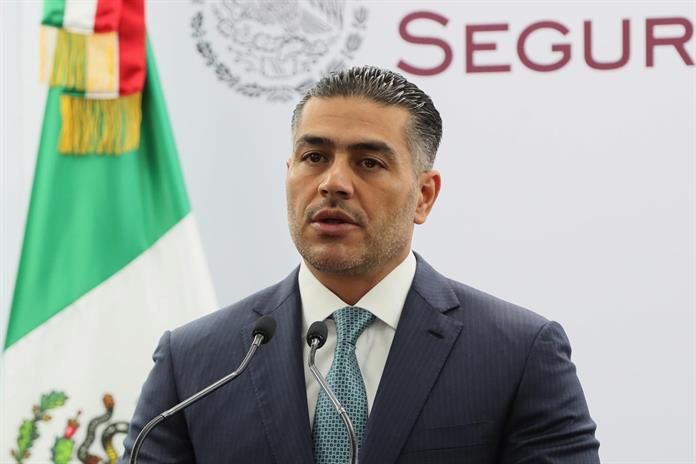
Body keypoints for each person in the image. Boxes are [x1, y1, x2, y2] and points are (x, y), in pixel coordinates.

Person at [121, 66, 600, 463]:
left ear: (424, 195)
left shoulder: (516, 353)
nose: (333, 183)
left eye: (369, 162)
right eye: (314, 156)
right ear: (289, 174)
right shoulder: (196, 362)